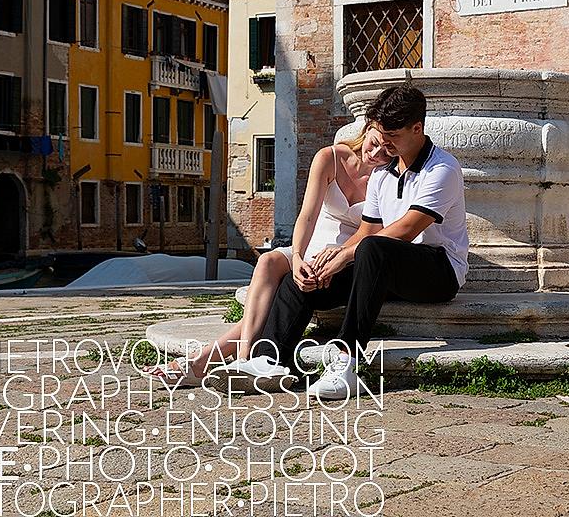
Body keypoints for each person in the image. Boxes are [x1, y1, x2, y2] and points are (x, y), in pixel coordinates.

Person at [241, 85, 469, 399]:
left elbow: (407, 229)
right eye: (382, 133)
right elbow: (366, 231)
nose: (385, 143)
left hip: (438, 271)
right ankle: (268, 360)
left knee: (374, 249)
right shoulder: (382, 174)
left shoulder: (442, 169)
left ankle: (346, 362)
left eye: (393, 134)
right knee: (307, 272)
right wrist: (332, 257)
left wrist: (348, 255)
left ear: (417, 128)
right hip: (385, 269)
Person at [143, 124, 390, 387]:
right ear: (367, 128)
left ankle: (203, 361)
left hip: (345, 254)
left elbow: (371, 231)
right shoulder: (330, 157)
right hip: (312, 243)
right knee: (268, 260)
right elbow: (307, 215)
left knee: (271, 304)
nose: (375, 154)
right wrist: (296, 256)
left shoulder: (388, 176)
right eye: (373, 142)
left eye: (386, 152)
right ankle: (243, 357)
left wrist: (338, 257)